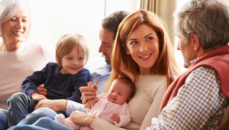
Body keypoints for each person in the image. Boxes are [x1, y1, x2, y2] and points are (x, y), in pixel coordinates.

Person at [8, 9, 181, 130]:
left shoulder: (164, 83)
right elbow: (101, 110)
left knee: (41, 121)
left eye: (149, 38)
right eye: (134, 42)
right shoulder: (126, 76)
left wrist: (90, 120)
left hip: (90, 125)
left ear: (160, 39)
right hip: (83, 124)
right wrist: (91, 103)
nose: (143, 49)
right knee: (41, 121)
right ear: (126, 48)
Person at [2, 10, 130, 130]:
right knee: (7, 108)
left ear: (123, 47)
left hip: (62, 115)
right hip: (41, 104)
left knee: (43, 115)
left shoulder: (123, 82)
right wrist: (36, 93)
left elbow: (89, 107)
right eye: (100, 42)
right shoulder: (95, 64)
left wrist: (60, 103)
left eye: (106, 45)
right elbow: (31, 81)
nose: (100, 50)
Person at [145, 0, 229, 129]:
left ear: (195, 42)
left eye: (179, 38)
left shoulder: (205, 75)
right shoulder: (225, 64)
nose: (178, 47)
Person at [6, 33, 91, 127]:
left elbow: (77, 99)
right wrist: (35, 95)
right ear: (59, 58)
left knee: (43, 111)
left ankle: (17, 128)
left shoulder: (83, 74)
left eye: (81, 58)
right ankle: (17, 126)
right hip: (39, 104)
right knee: (16, 97)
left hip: (57, 112)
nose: (76, 62)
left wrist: (53, 104)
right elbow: (29, 81)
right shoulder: (51, 68)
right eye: (70, 58)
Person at [0, 0, 55, 129]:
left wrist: (50, 88)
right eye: (13, 19)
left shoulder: (43, 51)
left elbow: (72, 71)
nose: (20, 26)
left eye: (24, 20)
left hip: (32, 116)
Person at [55, 77, 135, 130]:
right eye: (112, 91)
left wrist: (119, 119)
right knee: (73, 120)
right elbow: (94, 102)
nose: (114, 94)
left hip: (96, 127)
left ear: (127, 99)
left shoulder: (122, 107)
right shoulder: (104, 97)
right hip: (87, 118)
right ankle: (63, 123)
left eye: (120, 94)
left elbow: (126, 119)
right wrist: (92, 92)